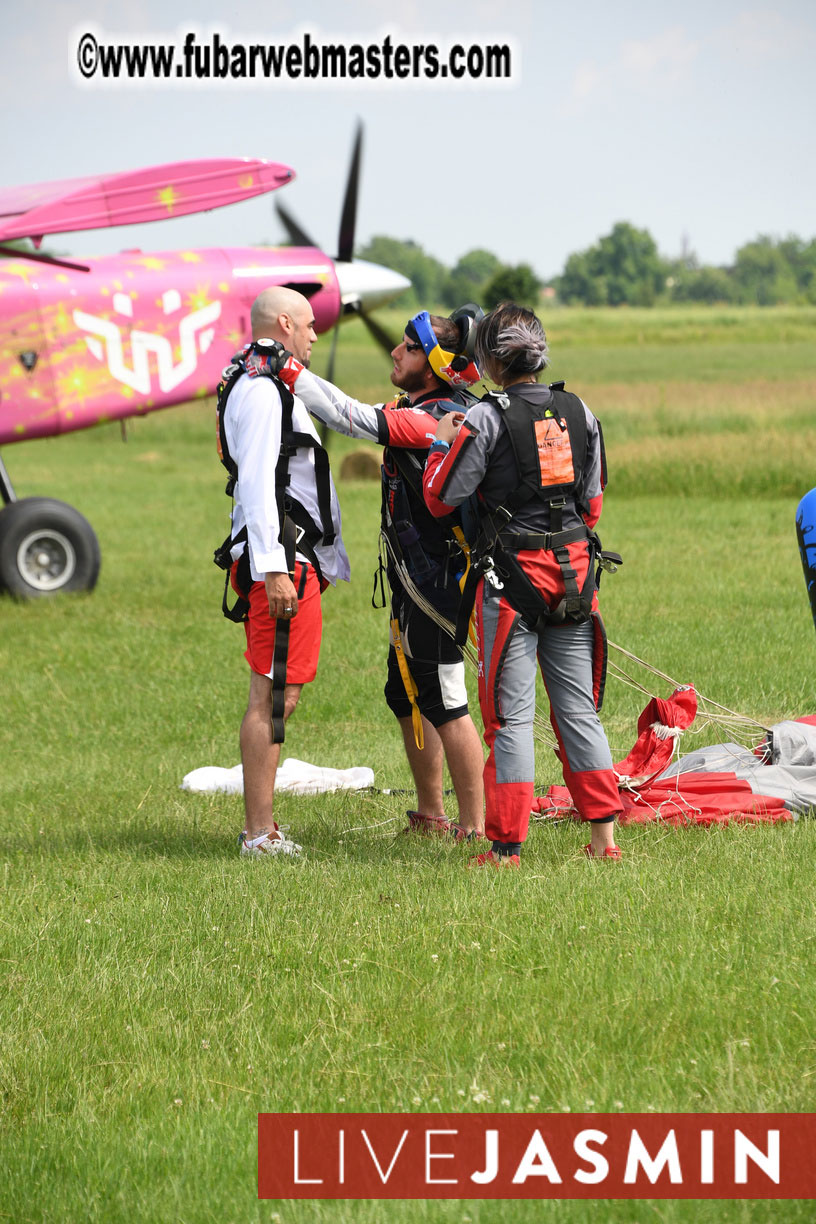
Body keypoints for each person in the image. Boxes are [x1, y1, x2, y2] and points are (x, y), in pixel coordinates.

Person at [259, 308, 486, 839]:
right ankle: (432, 815)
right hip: (414, 579)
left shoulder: (435, 418)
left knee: (447, 701)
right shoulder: (420, 407)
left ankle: (477, 829)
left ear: (429, 365)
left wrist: (284, 367)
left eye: (406, 347)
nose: (394, 352)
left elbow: (351, 417)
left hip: (439, 583)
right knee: (406, 693)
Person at [422, 302, 623, 867]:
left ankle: (506, 846)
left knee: (510, 717)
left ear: (488, 360)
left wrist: (443, 439)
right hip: (575, 580)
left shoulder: (484, 419)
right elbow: (594, 504)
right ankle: (605, 842)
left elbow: (441, 497)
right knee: (578, 710)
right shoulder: (577, 410)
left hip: (512, 585)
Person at [215, 287, 350, 857]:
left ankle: (261, 829)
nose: (317, 335)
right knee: (274, 697)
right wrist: (275, 569)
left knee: (277, 691)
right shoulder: (264, 391)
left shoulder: (257, 378)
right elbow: (257, 482)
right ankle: (258, 834)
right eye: (311, 325)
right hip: (283, 559)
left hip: (284, 556)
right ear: (286, 323)